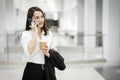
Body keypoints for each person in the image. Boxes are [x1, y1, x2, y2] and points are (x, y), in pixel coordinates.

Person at [20, 6, 65, 80]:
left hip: (47, 70)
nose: (40, 20)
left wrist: (48, 53)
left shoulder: (48, 33)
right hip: (32, 71)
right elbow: (29, 52)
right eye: (37, 17)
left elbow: (55, 51)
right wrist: (35, 33)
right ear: (30, 20)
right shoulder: (26, 34)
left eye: (42, 17)